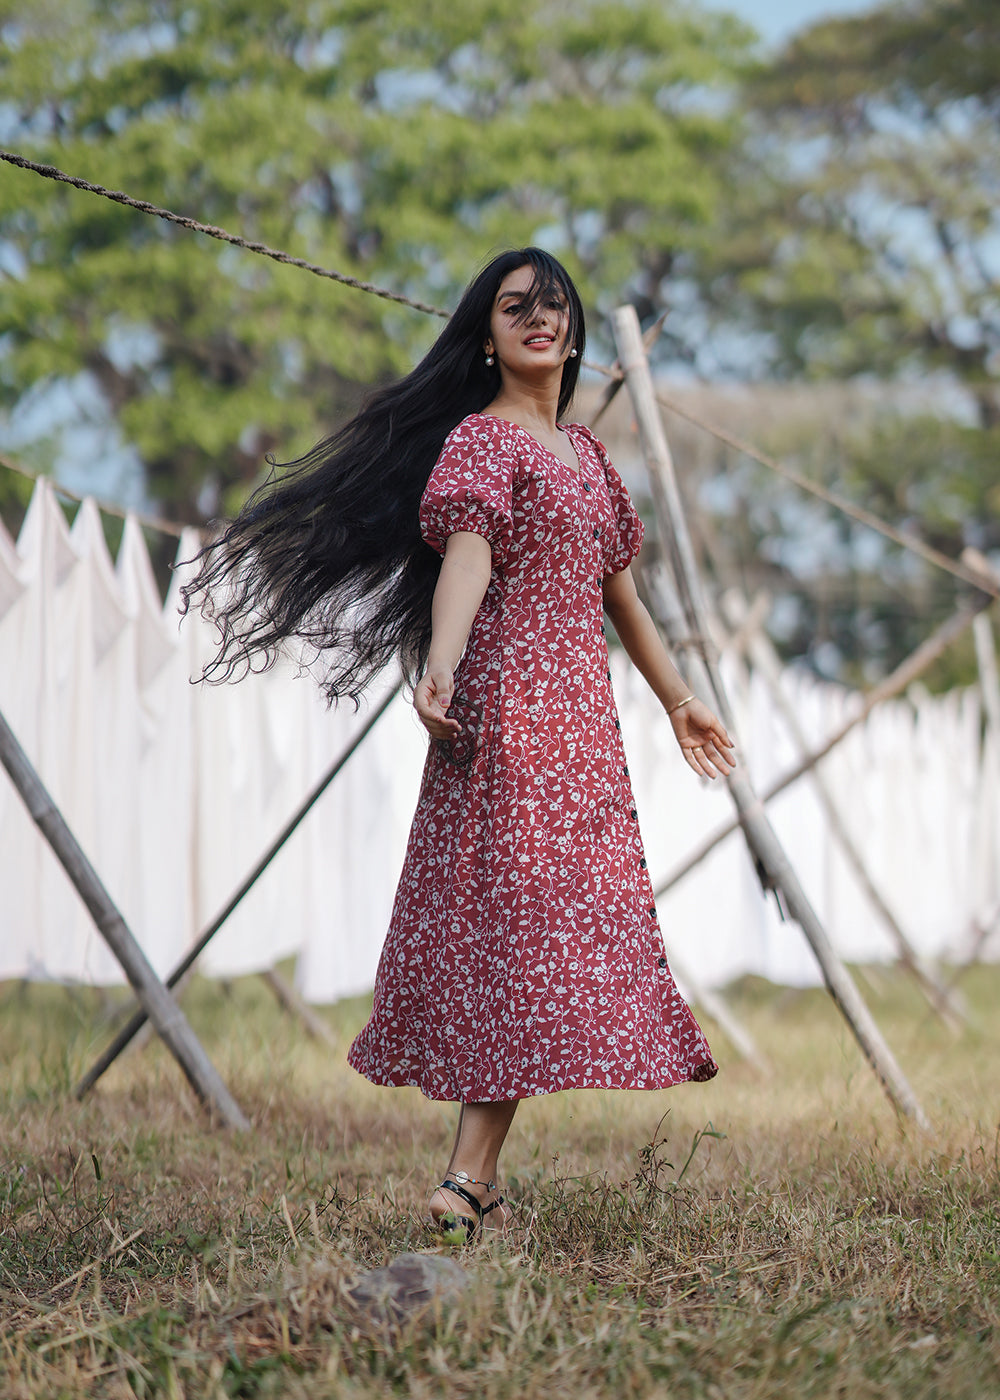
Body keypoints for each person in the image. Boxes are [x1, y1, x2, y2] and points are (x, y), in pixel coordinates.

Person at [182, 247, 735, 1243]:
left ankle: (477, 1180)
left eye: (553, 302)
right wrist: (440, 662)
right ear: (486, 335)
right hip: (512, 721)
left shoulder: (588, 460)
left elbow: (623, 599)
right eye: (514, 305)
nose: (540, 316)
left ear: (569, 330)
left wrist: (678, 700)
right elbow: (466, 559)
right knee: (517, 943)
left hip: (583, 738)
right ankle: (465, 1177)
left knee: (531, 949)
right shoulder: (481, 445)